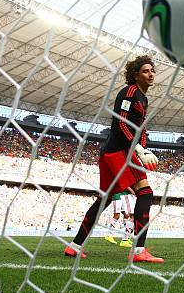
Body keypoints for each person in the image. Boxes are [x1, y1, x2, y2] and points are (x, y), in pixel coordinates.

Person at [63, 56, 163, 263]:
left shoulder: (143, 98)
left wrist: (142, 148)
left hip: (115, 152)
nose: (151, 74)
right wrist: (138, 149)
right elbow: (121, 124)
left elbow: (140, 128)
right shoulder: (128, 93)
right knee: (145, 193)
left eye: (152, 70)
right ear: (135, 74)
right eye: (145, 71)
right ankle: (138, 251)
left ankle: (74, 246)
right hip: (119, 152)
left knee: (105, 199)